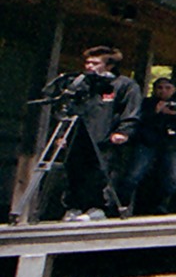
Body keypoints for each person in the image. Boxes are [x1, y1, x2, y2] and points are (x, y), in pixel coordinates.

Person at [40, 45, 142, 221]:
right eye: (87, 62)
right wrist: (62, 134)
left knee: (102, 172)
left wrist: (124, 132)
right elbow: (68, 109)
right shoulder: (82, 83)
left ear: (109, 66)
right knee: (74, 170)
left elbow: (131, 111)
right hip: (79, 135)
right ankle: (74, 206)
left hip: (105, 136)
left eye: (95, 63)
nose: (89, 66)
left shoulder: (124, 85)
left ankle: (98, 207)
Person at [121, 78, 176, 214]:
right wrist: (155, 112)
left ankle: (161, 207)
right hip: (148, 143)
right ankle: (123, 205)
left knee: (171, 180)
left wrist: (173, 114)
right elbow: (137, 118)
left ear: (173, 90)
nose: (163, 91)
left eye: (167, 88)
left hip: (171, 145)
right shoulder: (146, 103)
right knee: (133, 176)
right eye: (160, 88)